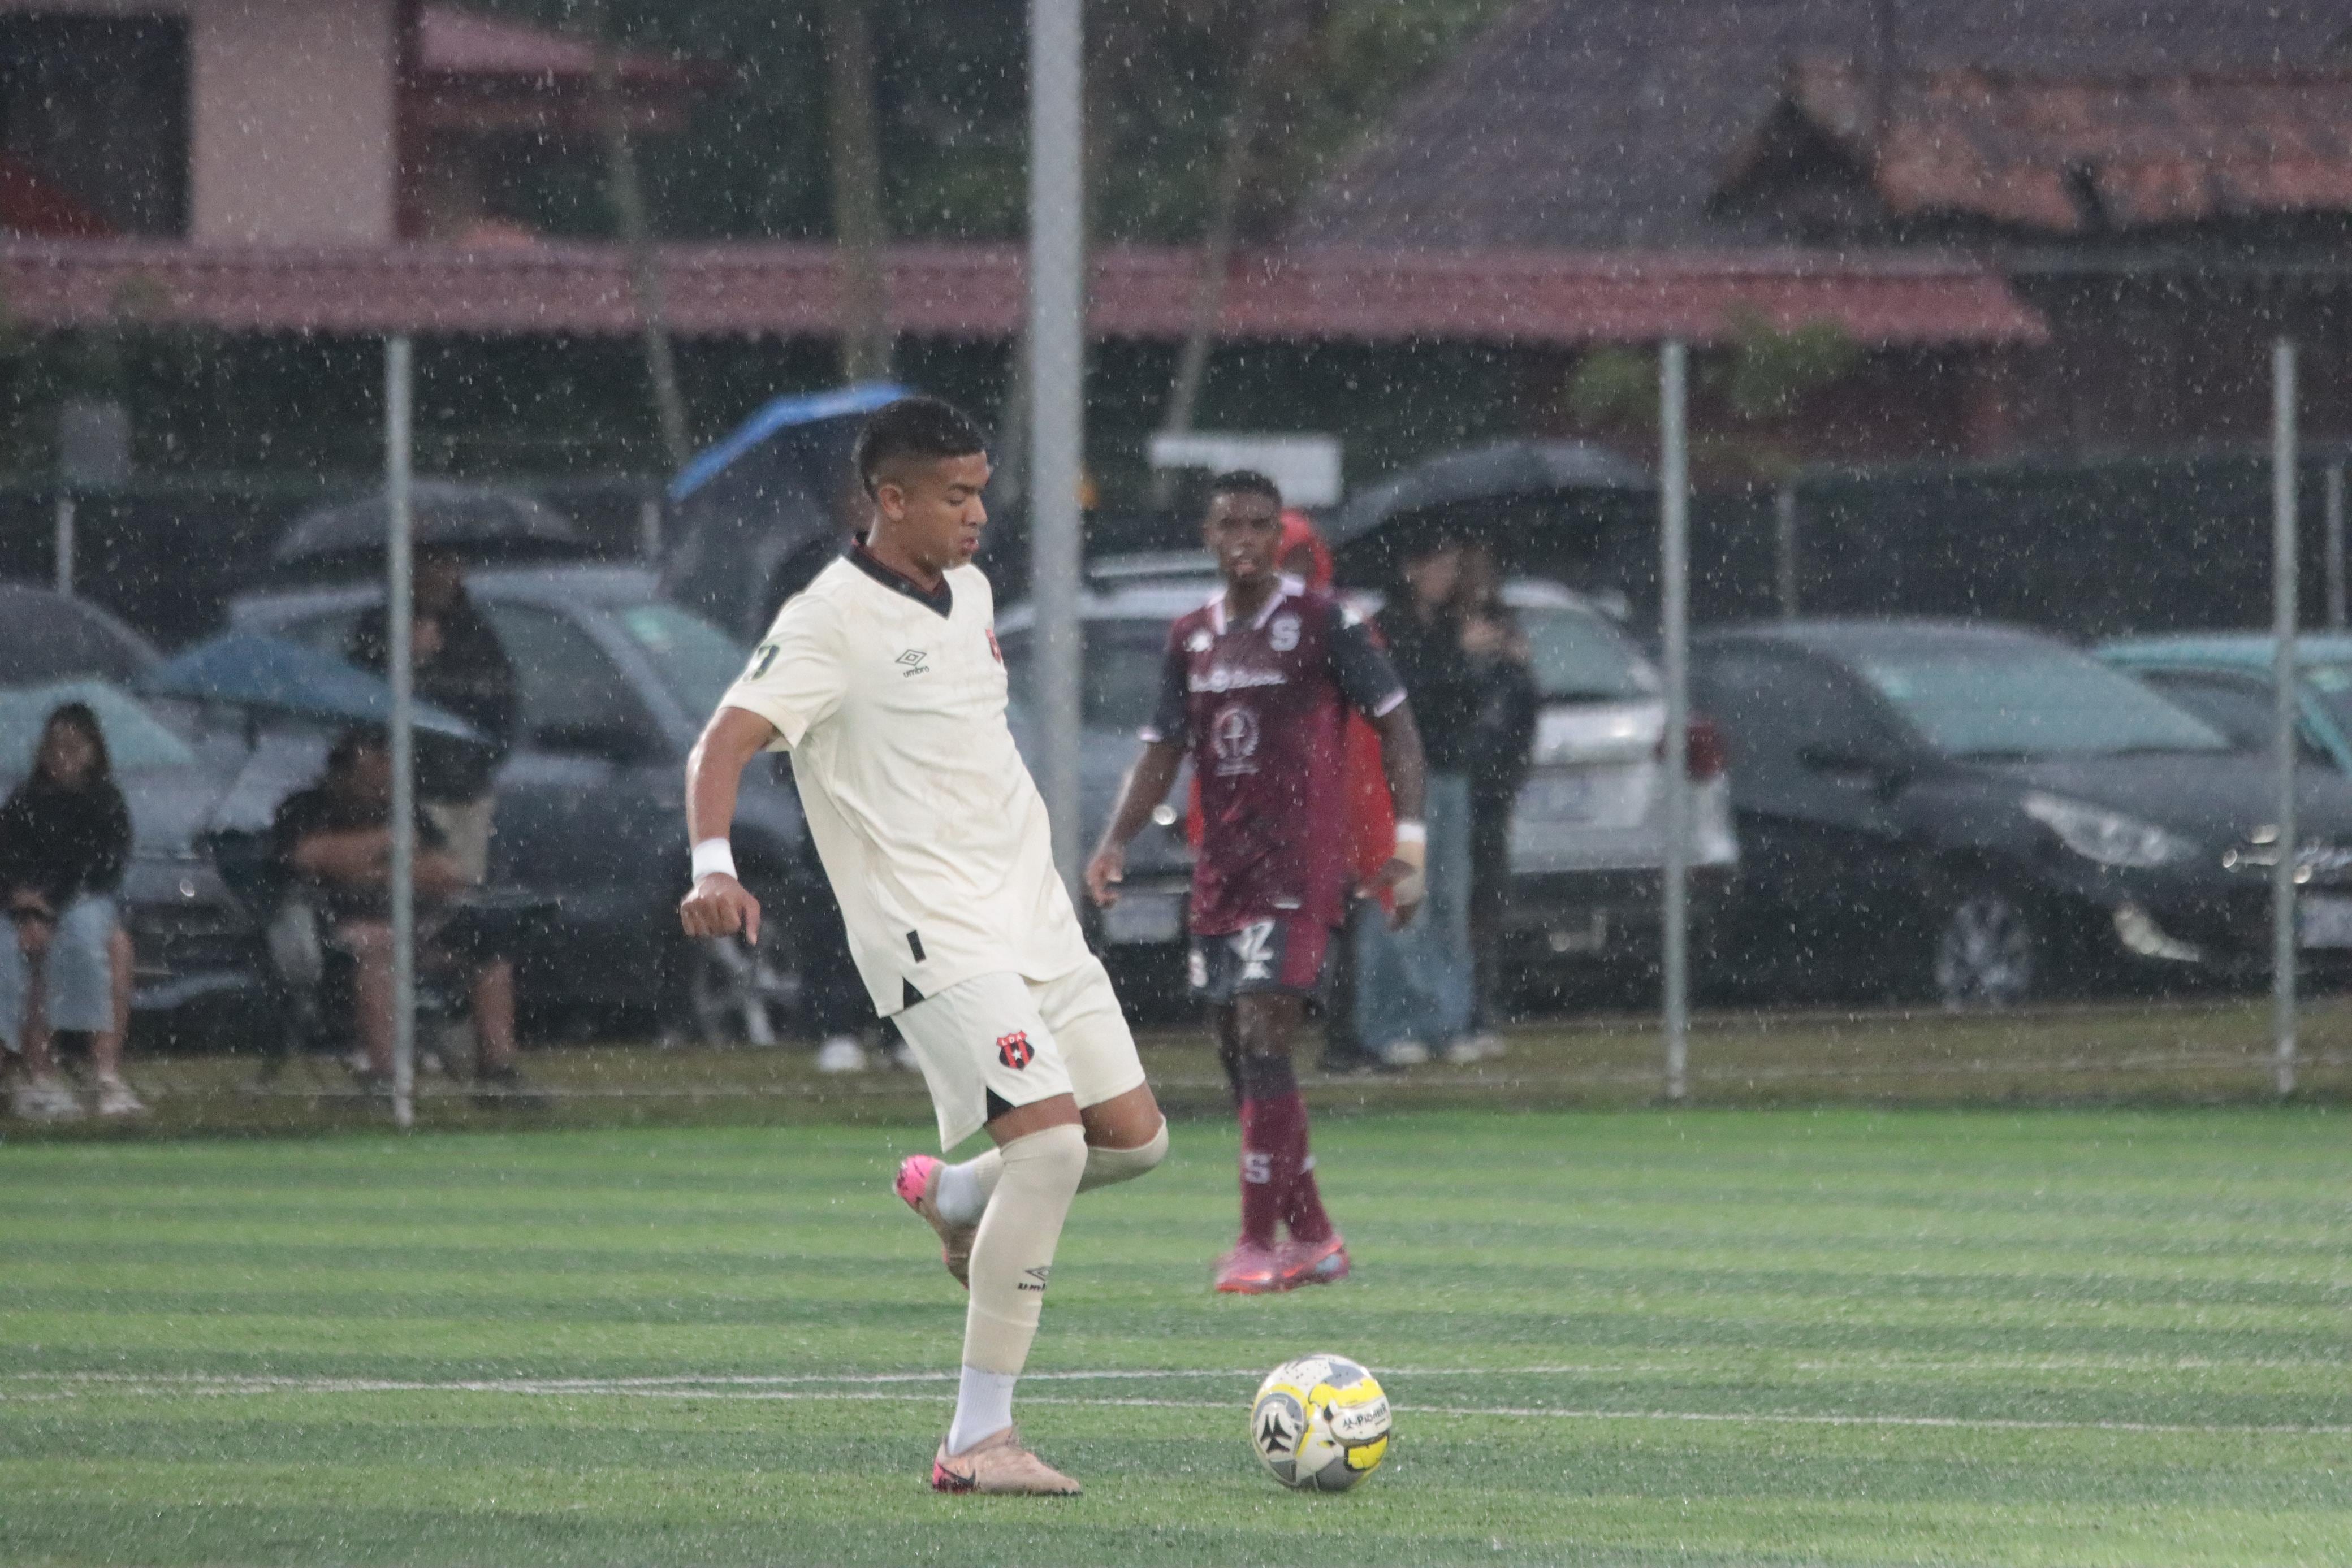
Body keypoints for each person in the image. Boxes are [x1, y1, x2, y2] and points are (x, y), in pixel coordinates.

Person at [679, 396, 1168, 1496]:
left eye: (980, 491)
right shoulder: (827, 620)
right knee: (1049, 1149)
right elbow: (722, 741)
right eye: (955, 495)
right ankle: (977, 1439)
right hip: (927, 926)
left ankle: (954, 1197)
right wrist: (713, 864)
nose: (977, 514)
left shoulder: (974, 592)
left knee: (1133, 1141)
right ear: (889, 500)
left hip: (1031, 913)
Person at [1088, 471, 1428, 1293]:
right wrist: (1114, 841)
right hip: (1222, 869)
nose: (1242, 539)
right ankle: (1313, 1235)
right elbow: (1164, 748)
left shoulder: (1323, 622)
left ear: (1280, 536)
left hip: (1298, 865)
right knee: (1237, 1052)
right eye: (1228, 525)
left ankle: (1253, 1241)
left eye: (1258, 525)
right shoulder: (1191, 636)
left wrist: (1409, 843)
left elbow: (1398, 727)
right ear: (1208, 536)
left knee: (1264, 1031)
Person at [273, 727, 536, 1103]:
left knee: (489, 953)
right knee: (379, 946)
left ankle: (498, 1072)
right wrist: (388, 844)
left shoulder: (404, 810)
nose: (382, 788)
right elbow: (310, 856)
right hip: (332, 940)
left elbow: (447, 873)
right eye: (372, 778)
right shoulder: (305, 809)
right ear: (342, 773)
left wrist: (374, 869)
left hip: (415, 931)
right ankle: (384, 1076)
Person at [1356, 531, 1481, 1065]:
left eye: (1452, 566)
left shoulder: (1451, 626)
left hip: (1449, 773)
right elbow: (1401, 701)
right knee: (1404, 896)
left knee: (1449, 899)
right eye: (1438, 565)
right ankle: (1391, 1022)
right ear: (1412, 569)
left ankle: (1448, 1020)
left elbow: (1466, 702)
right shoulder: (1388, 628)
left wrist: (1480, 661)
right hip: (1402, 780)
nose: (1446, 577)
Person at [0, 703, 144, 1119]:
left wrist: (49, 906)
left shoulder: (105, 803)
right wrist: (22, 903)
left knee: (89, 942)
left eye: (74, 747)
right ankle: (37, 1074)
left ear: (94, 752)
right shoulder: (24, 801)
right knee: (16, 955)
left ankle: (104, 1075)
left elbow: (96, 866)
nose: (63, 756)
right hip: (20, 906)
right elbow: (8, 858)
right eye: (55, 746)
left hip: (80, 901)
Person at [347, 544, 518, 886]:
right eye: (430, 564)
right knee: (400, 886)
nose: (440, 575)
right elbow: (362, 702)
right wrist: (409, 662)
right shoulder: (380, 627)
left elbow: (498, 709)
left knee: (457, 886)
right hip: (398, 794)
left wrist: (474, 765)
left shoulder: (476, 634)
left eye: (448, 564)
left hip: (461, 794)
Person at [1456, 540, 1538, 1058]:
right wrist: (1463, 657)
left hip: (1491, 787)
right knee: (1448, 899)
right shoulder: (1438, 634)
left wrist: (1513, 662)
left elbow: (1522, 710)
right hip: (1454, 778)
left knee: (1485, 901)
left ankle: (1481, 1005)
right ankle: (1452, 1008)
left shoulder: (1504, 634)